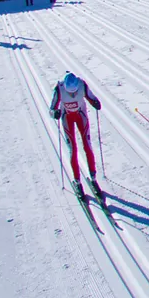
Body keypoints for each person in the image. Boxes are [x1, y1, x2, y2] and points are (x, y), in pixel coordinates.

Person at [49, 72, 103, 201]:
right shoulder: (59, 89)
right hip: (67, 117)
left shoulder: (82, 85)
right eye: (70, 92)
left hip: (81, 116)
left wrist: (96, 103)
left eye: (74, 92)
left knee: (88, 146)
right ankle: (77, 181)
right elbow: (51, 109)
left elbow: (91, 97)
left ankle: (93, 178)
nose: (73, 95)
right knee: (73, 150)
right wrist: (55, 113)